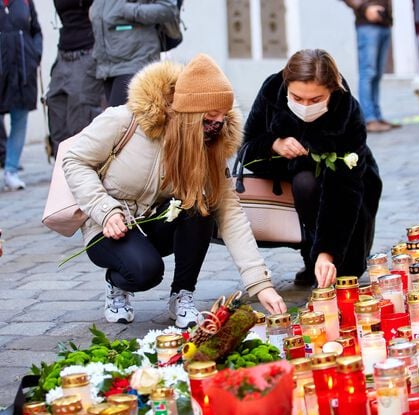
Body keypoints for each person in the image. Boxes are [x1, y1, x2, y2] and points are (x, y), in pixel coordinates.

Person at [62, 54, 287, 328]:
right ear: (188, 114)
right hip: (108, 225)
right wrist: (106, 211)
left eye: (221, 120)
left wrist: (260, 284)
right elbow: (73, 161)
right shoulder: (125, 121)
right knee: (145, 272)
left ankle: (182, 295)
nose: (215, 127)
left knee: (200, 207)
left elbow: (231, 214)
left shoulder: (208, 144)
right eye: (209, 119)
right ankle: (116, 284)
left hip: (157, 225)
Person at [242, 49, 383, 288]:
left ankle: (326, 259)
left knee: (345, 272)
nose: (305, 106)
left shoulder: (347, 111)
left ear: (332, 90)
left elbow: (346, 188)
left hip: (346, 180)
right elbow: (246, 147)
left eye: (316, 100)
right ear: (286, 85)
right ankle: (311, 257)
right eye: (297, 98)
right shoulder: (271, 90)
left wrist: (328, 252)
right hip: (285, 175)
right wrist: (274, 143)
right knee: (305, 181)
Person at [89, 0, 177, 107]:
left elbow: (168, 9)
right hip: (107, 66)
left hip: (135, 61)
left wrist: (128, 10)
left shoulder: (126, 10)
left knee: (120, 121)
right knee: (119, 120)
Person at [47, 0, 104, 158]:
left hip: (87, 52)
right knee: (55, 105)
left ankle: (82, 172)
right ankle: (62, 173)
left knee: (80, 117)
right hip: (63, 53)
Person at [0, 0, 42, 190]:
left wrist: (36, 54)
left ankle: (11, 170)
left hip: (24, 69)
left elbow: (36, 30)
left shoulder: (25, 2)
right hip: (2, 70)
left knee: (20, 119)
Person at [342, 0, 396, 133]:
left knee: (377, 74)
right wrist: (365, 8)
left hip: (384, 22)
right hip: (367, 25)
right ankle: (369, 119)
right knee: (368, 72)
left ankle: (377, 116)